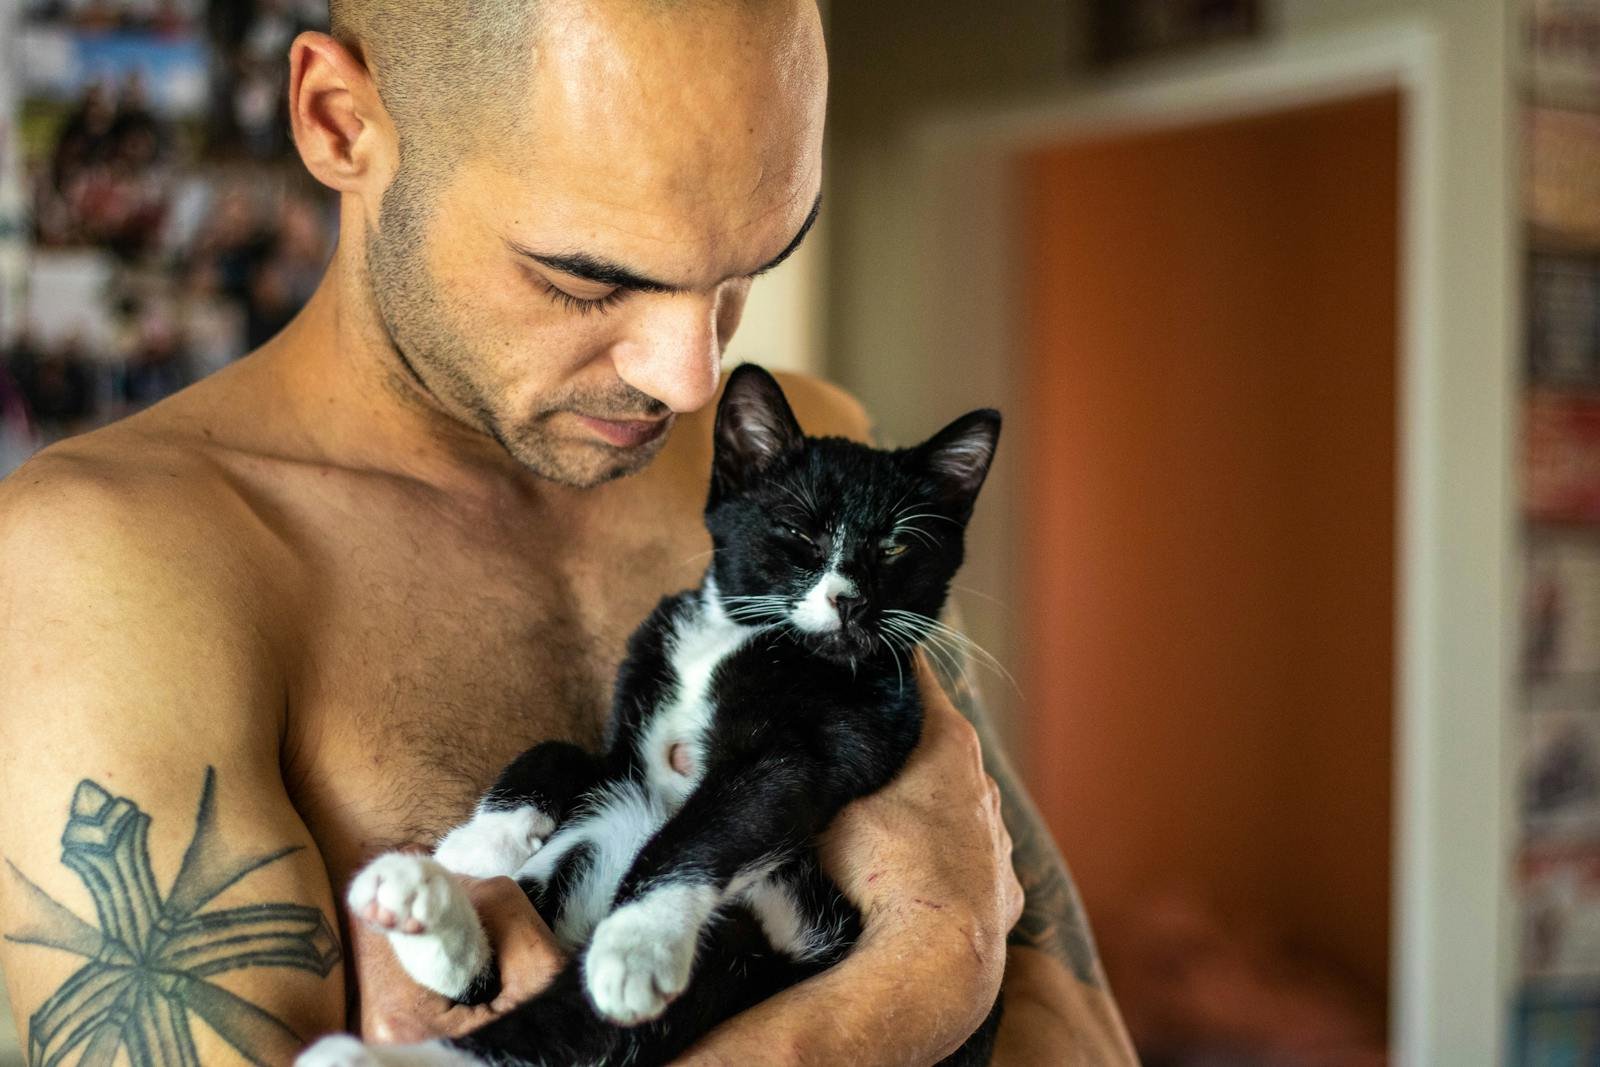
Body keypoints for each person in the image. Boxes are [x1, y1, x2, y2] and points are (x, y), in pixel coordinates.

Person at [0, 2, 1137, 1063]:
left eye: (749, 267)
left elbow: (1078, 1034)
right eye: (588, 278)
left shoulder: (810, 451)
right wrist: (905, 988)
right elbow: (953, 959)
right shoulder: (114, 566)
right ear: (340, 124)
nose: (689, 379)